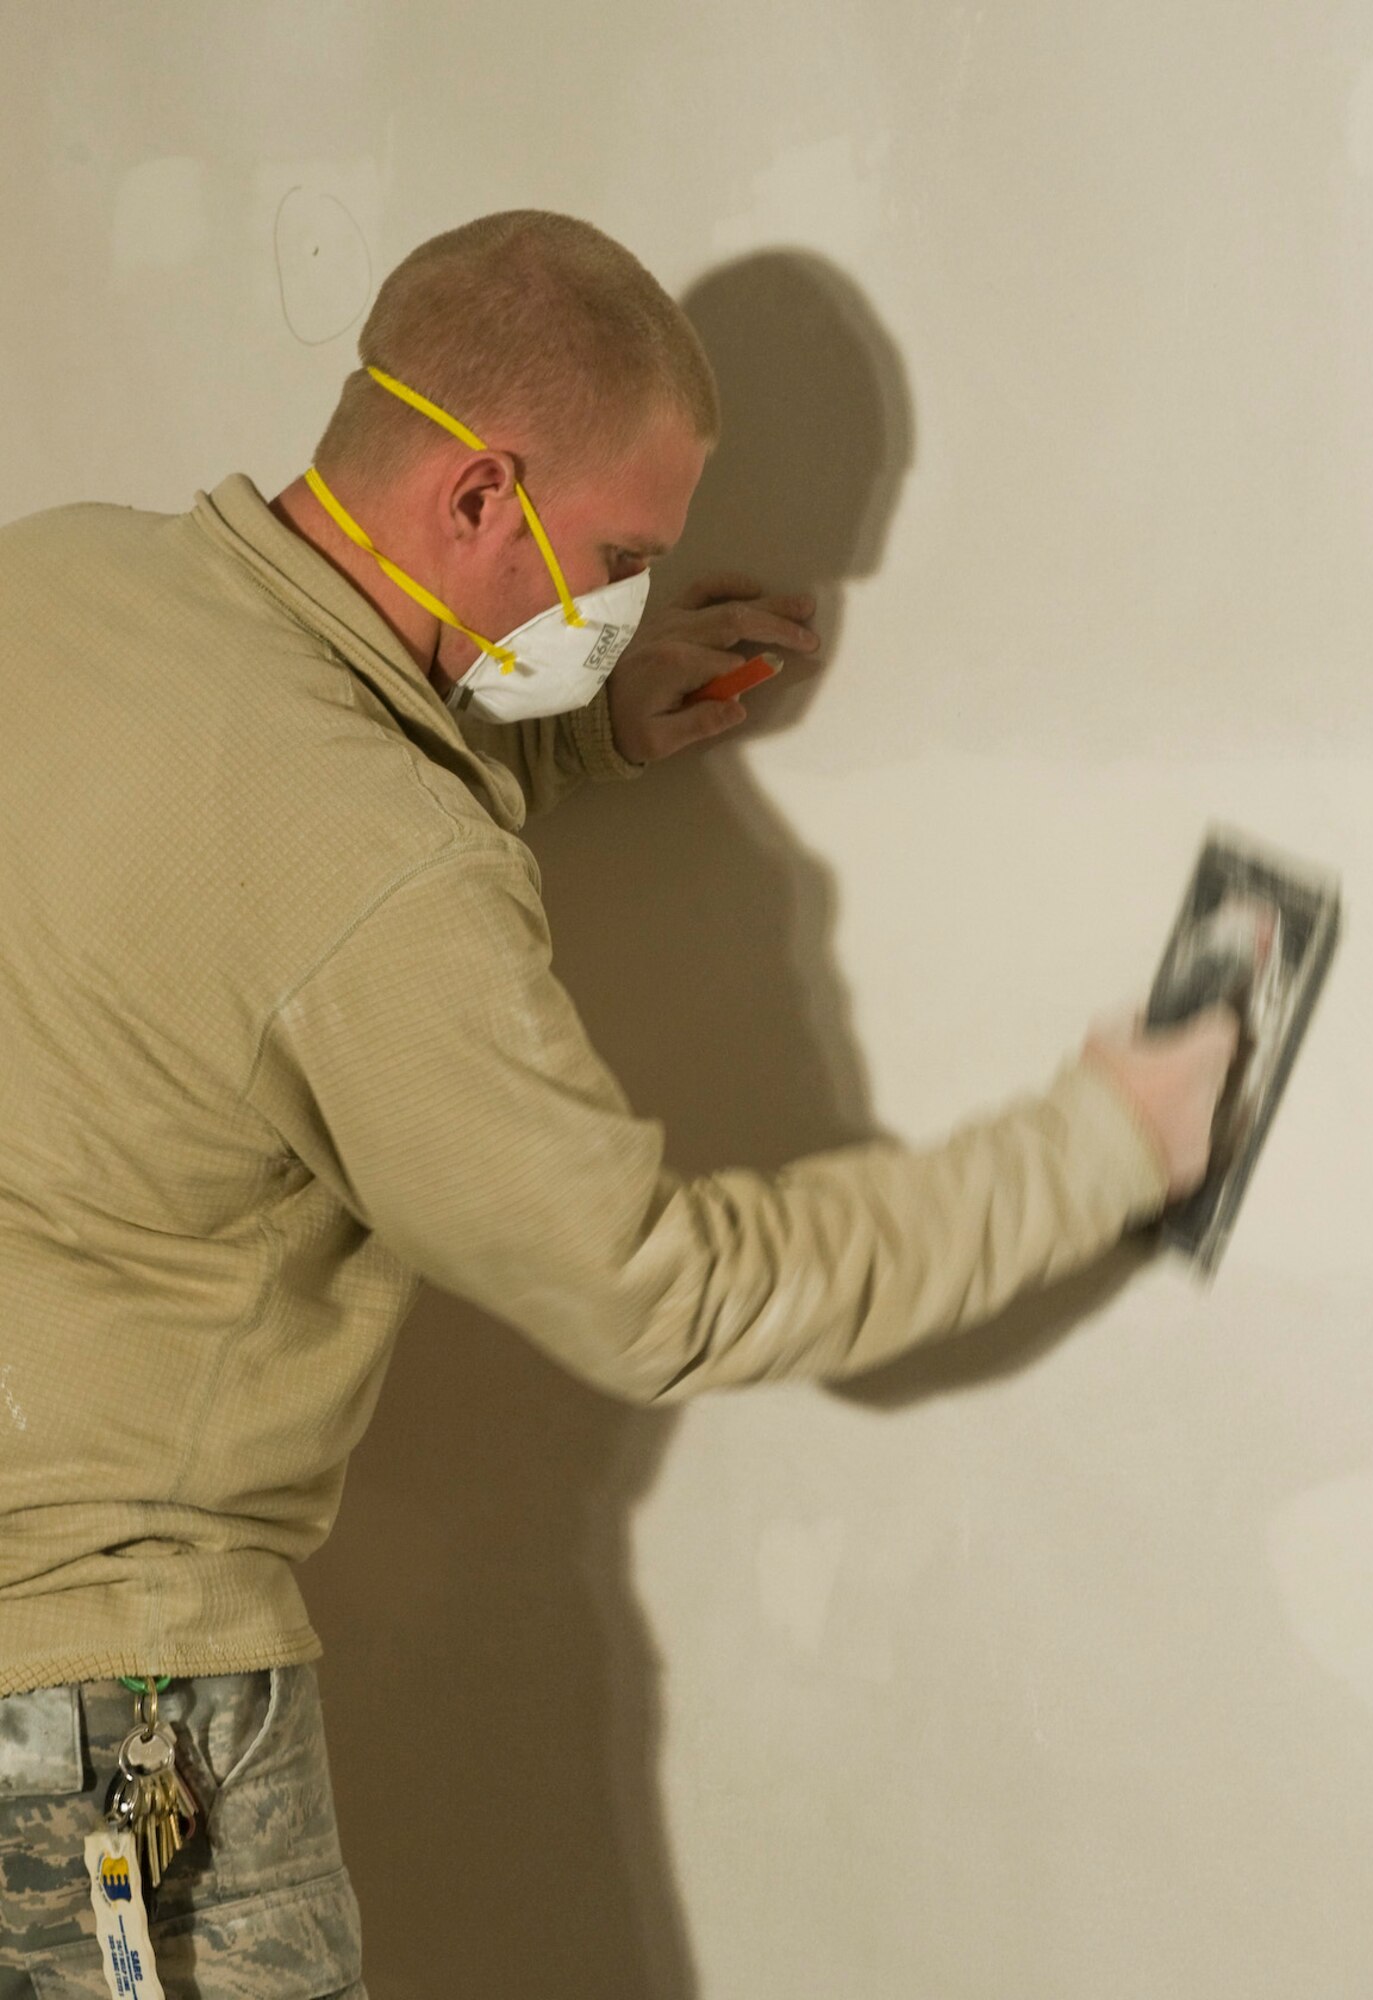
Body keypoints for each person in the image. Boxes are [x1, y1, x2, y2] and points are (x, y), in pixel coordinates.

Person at [0, 209, 1237, 1996]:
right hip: (109, 1731)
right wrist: (1102, 1146)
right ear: (481, 496)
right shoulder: (380, 866)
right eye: (618, 556)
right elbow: (662, 1290)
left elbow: (211, 866)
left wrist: (559, 731)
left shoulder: (56, 583)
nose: (623, 605)